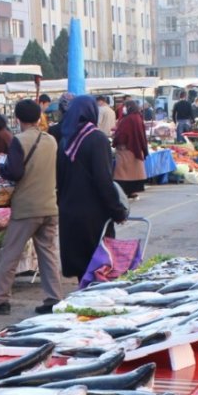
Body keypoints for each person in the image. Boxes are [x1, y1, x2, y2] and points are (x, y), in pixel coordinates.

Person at [0, 99, 63, 315]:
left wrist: (0, 166)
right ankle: (54, 299)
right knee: (48, 255)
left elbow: (15, 172)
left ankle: (0, 300)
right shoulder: (51, 141)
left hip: (27, 207)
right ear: (38, 117)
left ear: (17, 119)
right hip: (49, 205)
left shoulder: (20, 141)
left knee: (9, 253)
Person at [57, 95, 129, 280]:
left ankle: (82, 304)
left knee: (82, 270)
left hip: (70, 211)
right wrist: (117, 211)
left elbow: (59, 179)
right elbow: (103, 181)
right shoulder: (97, 139)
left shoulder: (65, 140)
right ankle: (94, 305)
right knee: (100, 268)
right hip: (93, 215)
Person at [112, 99, 150, 199]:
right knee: (134, 172)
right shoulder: (137, 117)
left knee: (123, 172)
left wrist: (116, 138)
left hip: (126, 149)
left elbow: (123, 134)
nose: (123, 108)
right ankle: (132, 191)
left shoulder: (129, 119)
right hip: (135, 148)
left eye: (125, 106)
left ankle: (124, 191)